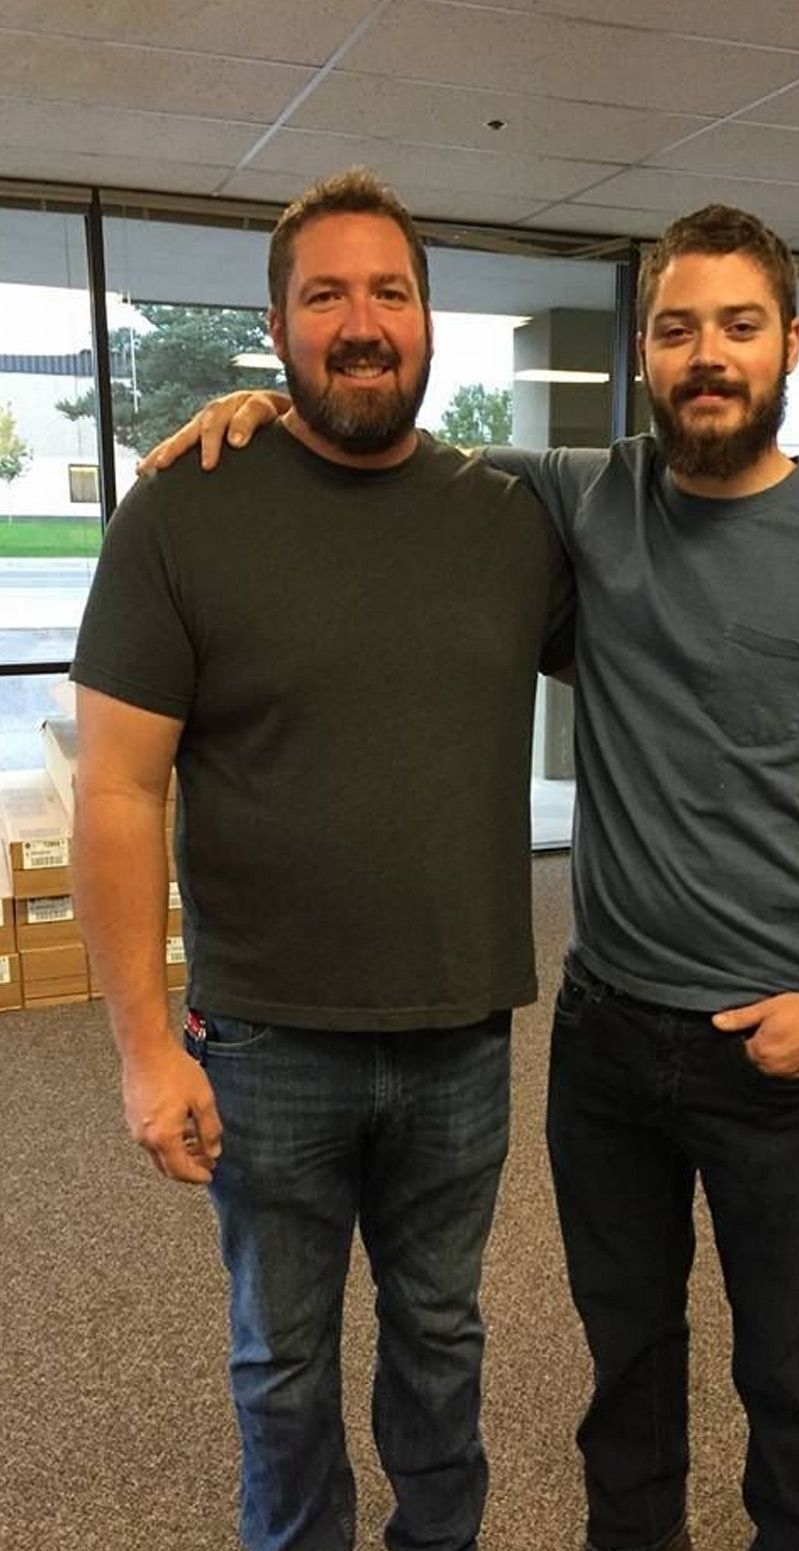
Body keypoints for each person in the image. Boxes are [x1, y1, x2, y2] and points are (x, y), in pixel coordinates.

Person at [137, 196, 799, 1551]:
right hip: (605, 1040)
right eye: (677, 329)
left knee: (793, 1367)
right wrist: (248, 414)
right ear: (645, 355)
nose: (708, 356)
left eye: (739, 327)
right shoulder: (578, 499)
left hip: (781, 1045)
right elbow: (389, 447)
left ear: (790, 350)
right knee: (628, 1371)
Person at [72, 168, 575, 1551]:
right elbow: (116, 789)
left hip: (461, 1033)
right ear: (278, 327)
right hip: (262, 1039)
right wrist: (140, 1050)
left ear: (431, 323)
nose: (363, 322)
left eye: (392, 293)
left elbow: (692, 545)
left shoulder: (509, 517)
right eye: (327, 295)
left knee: (440, 1347)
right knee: (280, 1367)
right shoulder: (184, 509)